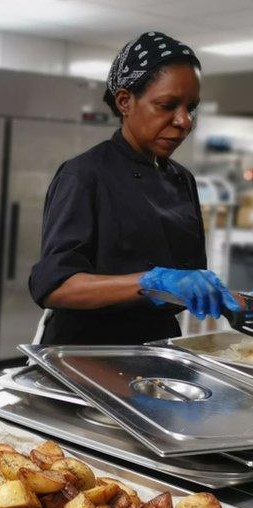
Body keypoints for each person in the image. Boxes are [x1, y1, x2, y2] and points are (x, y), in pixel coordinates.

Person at [29, 31, 237, 345]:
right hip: (86, 355)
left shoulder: (182, 179)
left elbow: (185, 279)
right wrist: (152, 282)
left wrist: (227, 298)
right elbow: (56, 286)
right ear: (125, 101)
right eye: (167, 105)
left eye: (191, 107)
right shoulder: (85, 174)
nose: (184, 121)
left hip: (159, 346)